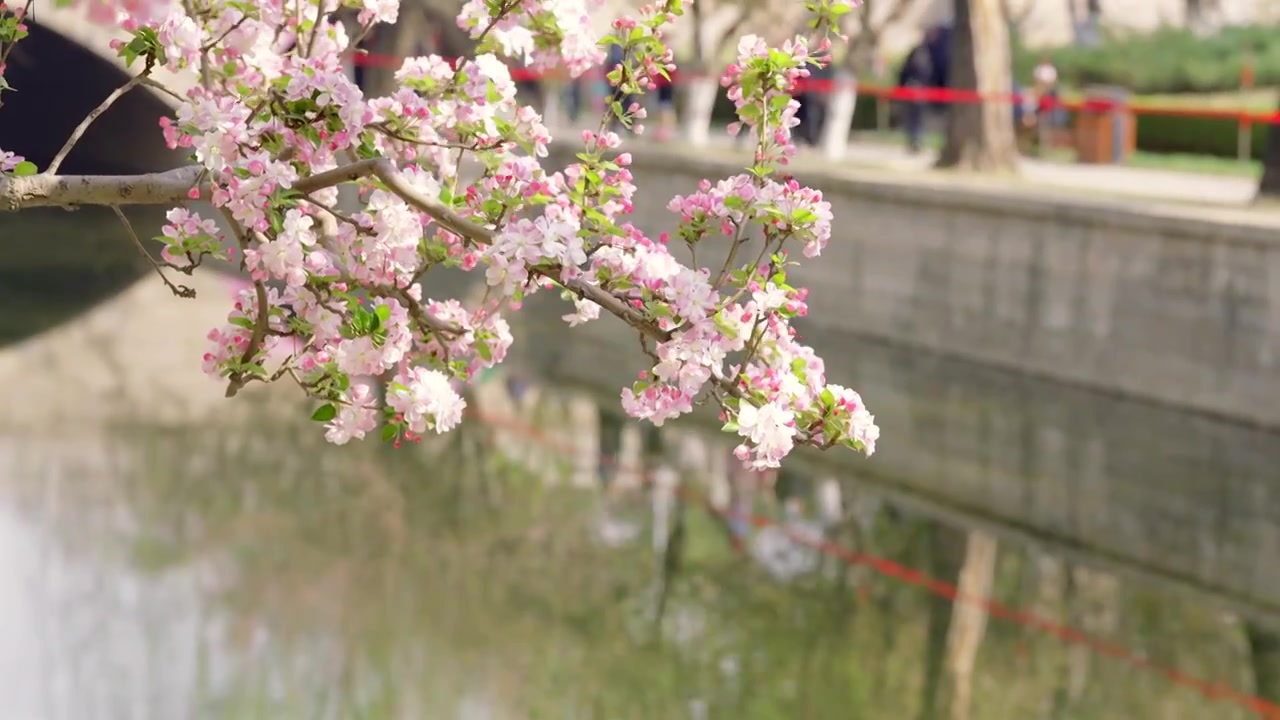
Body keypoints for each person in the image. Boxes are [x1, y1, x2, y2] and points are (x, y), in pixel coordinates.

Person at [897, 40, 934, 154]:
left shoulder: (922, 65)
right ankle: (914, 142)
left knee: (915, 121)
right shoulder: (920, 64)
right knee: (913, 121)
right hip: (913, 96)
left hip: (919, 96)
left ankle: (915, 142)